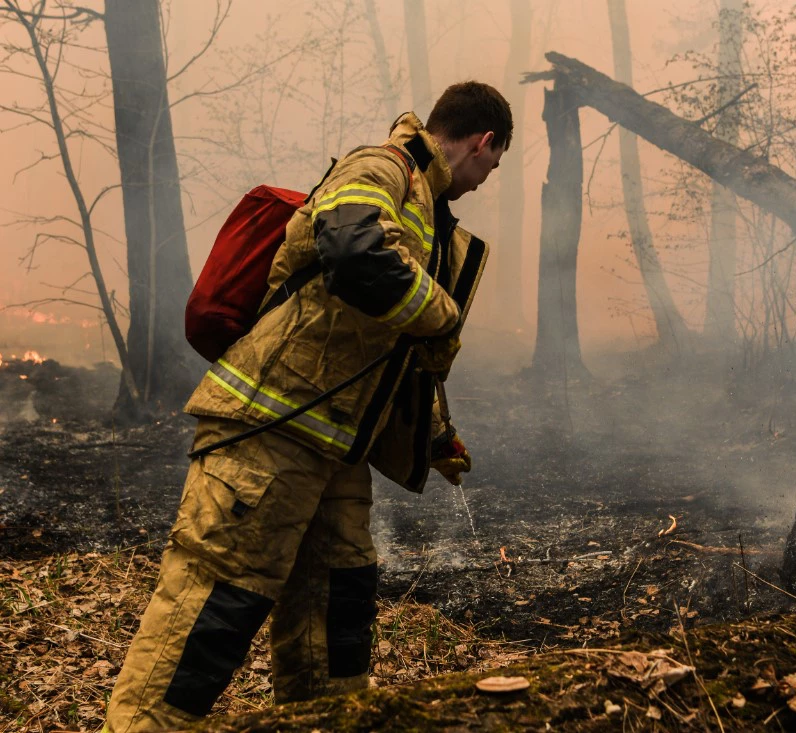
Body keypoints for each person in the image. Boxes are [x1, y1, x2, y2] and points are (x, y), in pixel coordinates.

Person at [104, 81, 512, 732]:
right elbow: (355, 255)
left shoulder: (430, 217)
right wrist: (443, 312)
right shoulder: (380, 168)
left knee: (337, 611)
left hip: (334, 450)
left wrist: (434, 435)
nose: (490, 177)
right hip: (269, 430)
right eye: (496, 163)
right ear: (484, 142)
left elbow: (384, 351)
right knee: (215, 604)